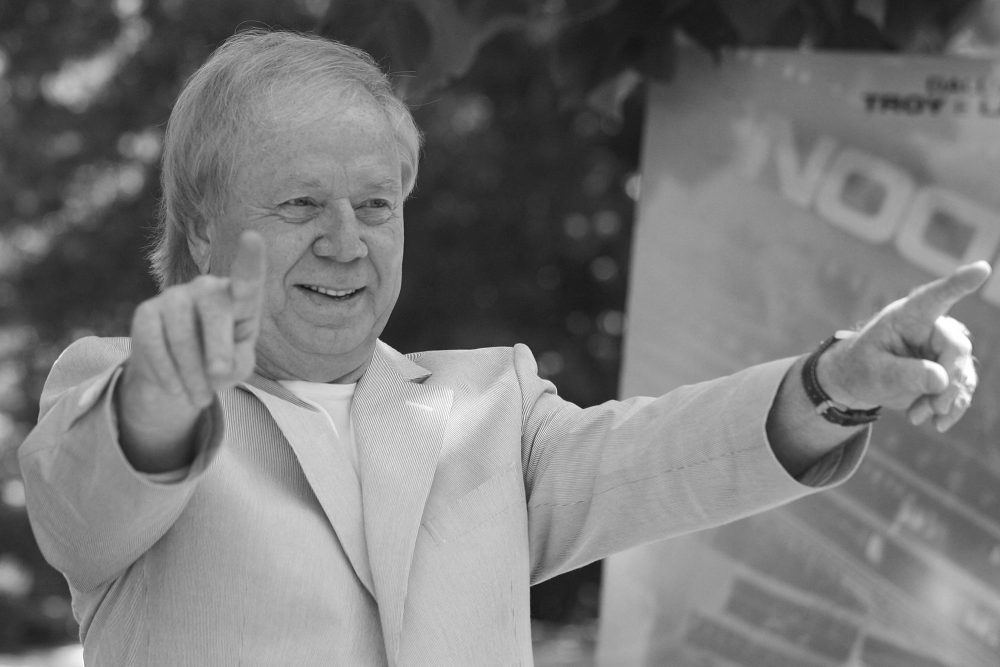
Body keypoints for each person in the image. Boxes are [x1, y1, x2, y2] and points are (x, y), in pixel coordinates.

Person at [18, 28, 989, 666]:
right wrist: (160, 396)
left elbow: (665, 453)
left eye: (374, 205)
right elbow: (88, 502)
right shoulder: (116, 391)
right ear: (200, 231)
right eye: (301, 203)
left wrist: (836, 382)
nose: (346, 242)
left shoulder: (490, 403)